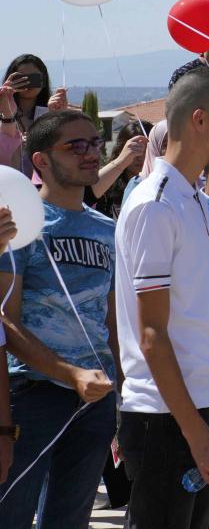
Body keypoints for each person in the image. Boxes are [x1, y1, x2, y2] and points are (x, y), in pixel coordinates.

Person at [113, 67, 209, 529]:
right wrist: (198, 436)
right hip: (166, 417)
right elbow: (152, 333)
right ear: (198, 119)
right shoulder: (155, 204)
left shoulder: (189, 199)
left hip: (194, 412)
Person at [0, 112, 117, 528]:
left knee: (70, 520)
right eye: (76, 146)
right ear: (42, 161)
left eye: (95, 143)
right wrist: (70, 374)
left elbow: (111, 318)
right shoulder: (19, 227)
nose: (91, 153)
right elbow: (5, 323)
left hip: (96, 397)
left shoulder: (107, 228)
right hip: (33, 394)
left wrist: (116, 387)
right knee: (11, 515)